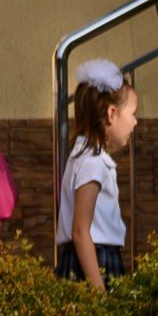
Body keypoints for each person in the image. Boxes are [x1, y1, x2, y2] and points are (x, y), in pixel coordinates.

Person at [56, 58, 136, 288]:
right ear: (111, 114)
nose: (135, 122)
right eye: (132, 114)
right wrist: (98, 291)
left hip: (91, 257)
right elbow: (81, 231)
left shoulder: (89, 157)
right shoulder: (92, 162)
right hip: (93, 262)